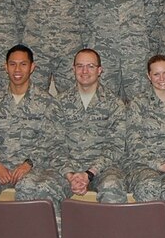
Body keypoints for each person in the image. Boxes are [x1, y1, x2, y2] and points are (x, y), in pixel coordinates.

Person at [0, 45, 68, 216]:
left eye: (23, 64)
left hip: (34, 167)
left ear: (32, 67)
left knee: (28, 187)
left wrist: (28, 164)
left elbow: (50, 141)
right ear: (5, 67)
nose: (17, 69)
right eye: (12, 64)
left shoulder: (46, 102)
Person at [53, 49, 129, 203]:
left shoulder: (114, 103)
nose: (85, 71)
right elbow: (53, 144)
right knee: (42, 188)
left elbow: (116, 147)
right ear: (73, 69)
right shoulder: (59, 103)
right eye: (80, 66)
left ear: (99, 70)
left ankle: (109, 228)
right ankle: (59, 228)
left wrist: (89, 173)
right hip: (68, 168)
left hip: (103, 169)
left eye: (91, 66)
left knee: (112, 187)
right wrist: (70, 175)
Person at [126, 55, 165, 219]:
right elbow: (134, 142)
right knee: (148, 186)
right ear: (148, 76)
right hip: (144, 165)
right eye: (156, 74)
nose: (162, 78)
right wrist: (158, 165)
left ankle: (160, 236)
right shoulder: (137, 103)